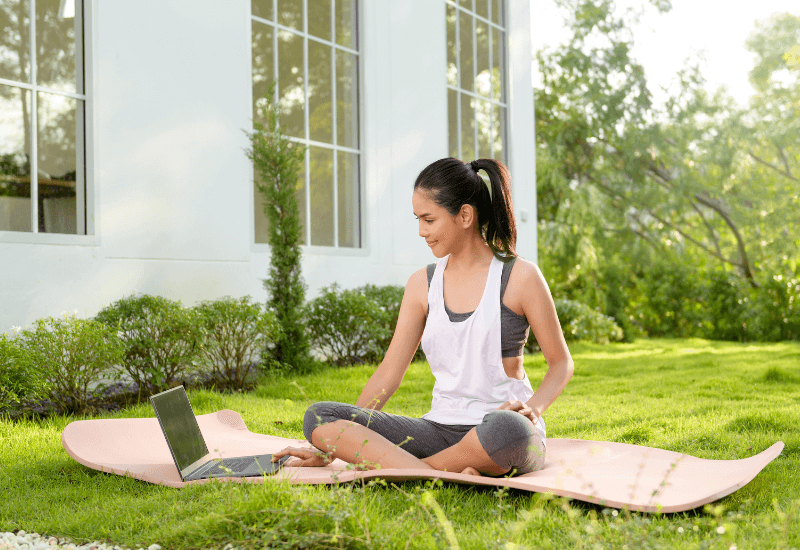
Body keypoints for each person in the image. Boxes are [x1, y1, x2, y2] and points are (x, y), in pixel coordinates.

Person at [272, 157, 574, 477]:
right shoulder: (422, 284)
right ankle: (448, 469)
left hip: (501, 428)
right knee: (320, 418)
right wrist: (330, 447)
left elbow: (561, 363)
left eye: (429, 219)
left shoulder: (520, 277)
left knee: (507, 431)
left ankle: (409, 469)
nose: (421, 231)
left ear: (465, 216)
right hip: (438, 432)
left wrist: (533, 409)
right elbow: (389, 372)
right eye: (417, 219)